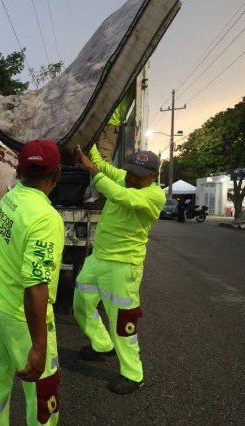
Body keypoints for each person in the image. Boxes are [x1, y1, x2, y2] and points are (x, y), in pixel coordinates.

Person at [0, 140, 64, 425]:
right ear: (57, 173)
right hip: (21, 320)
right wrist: (39, 347)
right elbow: (36, 285)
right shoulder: (46, 218)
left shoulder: (10, 198)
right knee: (42, 400)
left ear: (19, 171)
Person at [72, 143, 165, 394]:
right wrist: (88, 145)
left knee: (123, 322)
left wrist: (92, 171)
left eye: (139, 175)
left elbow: (119, 195)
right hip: (98, 258)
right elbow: (103, 166)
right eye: (130, 172)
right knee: (81, 304)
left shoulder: (155, 195)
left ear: (154, 176)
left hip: (124, 266)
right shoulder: (126, 177)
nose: (131, 178)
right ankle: (102, 345)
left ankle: (133, 374)